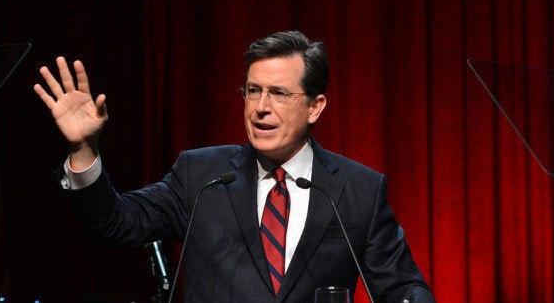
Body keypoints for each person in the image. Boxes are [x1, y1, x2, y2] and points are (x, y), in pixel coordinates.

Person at [34, 31, 435, 302]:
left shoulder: (356, 188)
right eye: (253, 91)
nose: (261, 107)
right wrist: (84, 148)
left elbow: (402, 286)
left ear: (315, 106)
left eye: (279, 93)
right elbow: (115, 223)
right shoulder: (201, 175)